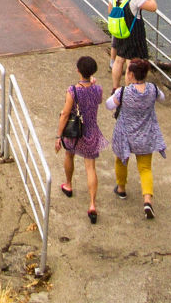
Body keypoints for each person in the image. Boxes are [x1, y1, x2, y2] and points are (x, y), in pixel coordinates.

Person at [108, 57, 166, 218]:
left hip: (125, 134)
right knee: (145, 168)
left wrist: (117, 96)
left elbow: (109, 105)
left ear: (131, 75)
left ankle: (121, 189)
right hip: (146, 134)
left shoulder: (124, 92)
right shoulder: (152, 89)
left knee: (121, 160)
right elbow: (162, 98)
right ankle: (147, 200)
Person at [56, 54, 105, 224]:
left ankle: (68, 184)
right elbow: (99, 101)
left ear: (78, 71)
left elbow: (65, 114)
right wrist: (94, 84)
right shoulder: (97, 89)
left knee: (69, 156)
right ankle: (92, 203)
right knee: (90, 167)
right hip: (91, 131)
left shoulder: (73, 91)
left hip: (74, 132)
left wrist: (58, 135)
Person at [106, 0, 156, 86]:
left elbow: (110, 12)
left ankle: (116, 88)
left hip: (119, 31)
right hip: (133, 33)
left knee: (119, 60)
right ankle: (129, 90)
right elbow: (153, 7)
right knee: (131, 63)